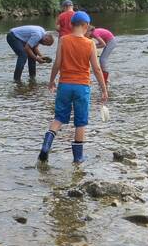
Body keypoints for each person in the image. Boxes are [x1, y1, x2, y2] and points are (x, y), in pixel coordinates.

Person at [38, 11, 108, 164]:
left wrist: (51, 81)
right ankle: (78, 157)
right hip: (82, 87)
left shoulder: (63, 40)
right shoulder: (90, 43)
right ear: (86, 26)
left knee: (59, 118)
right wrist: (103, 89)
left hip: (65, 85)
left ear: (71, 25)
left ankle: (46, 146)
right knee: (80, 122)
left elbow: (57, 63)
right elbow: (96, 69)